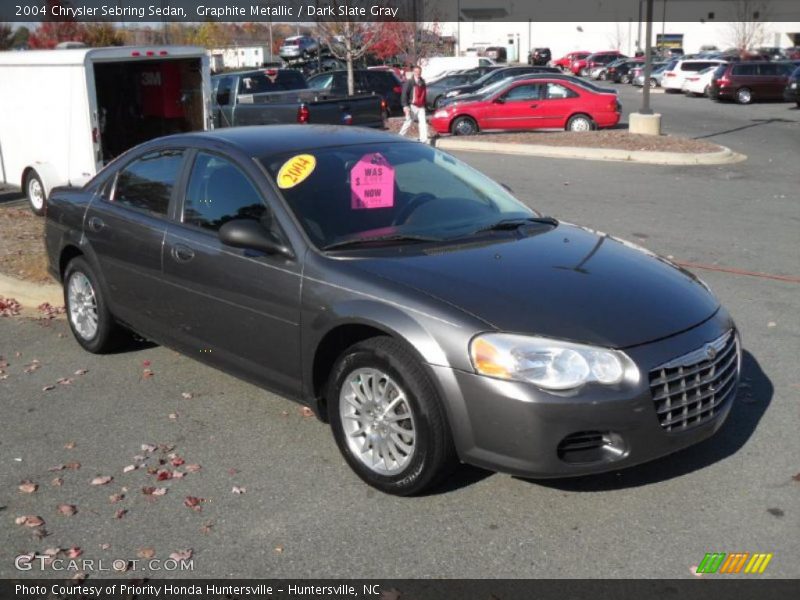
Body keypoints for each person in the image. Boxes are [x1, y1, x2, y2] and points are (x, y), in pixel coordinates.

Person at [398, 65, 429, 143]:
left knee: (423, 122)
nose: (418, 73)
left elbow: (424, 94)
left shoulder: (422, 81)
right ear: (413, 72)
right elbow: (404, 94)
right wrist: (405, 106)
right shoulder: (409, 82)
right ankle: (399, 137)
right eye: (416, 72)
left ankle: (423, 139)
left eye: (419, 72)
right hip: (412, 106)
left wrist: (425, 104)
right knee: (408, 121)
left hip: (421, 106)